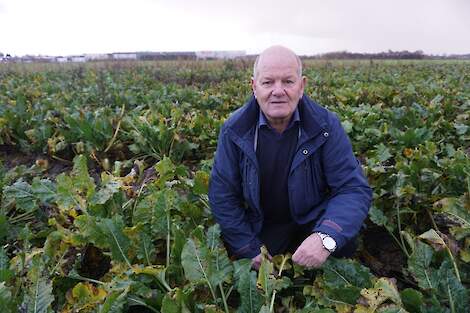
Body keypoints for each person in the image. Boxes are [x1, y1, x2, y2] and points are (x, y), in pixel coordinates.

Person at [208, 45, 372, 269]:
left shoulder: (326, 125)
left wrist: (326, 237)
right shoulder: (235, 130)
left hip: (314, 224)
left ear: (301, 86)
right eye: (268, 82)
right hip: (264, 227)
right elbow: (223, 195)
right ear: (254, 87)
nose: (278, 91)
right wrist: (248, 247)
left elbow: (352, 189)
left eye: (288, 81)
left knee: (342, 245)